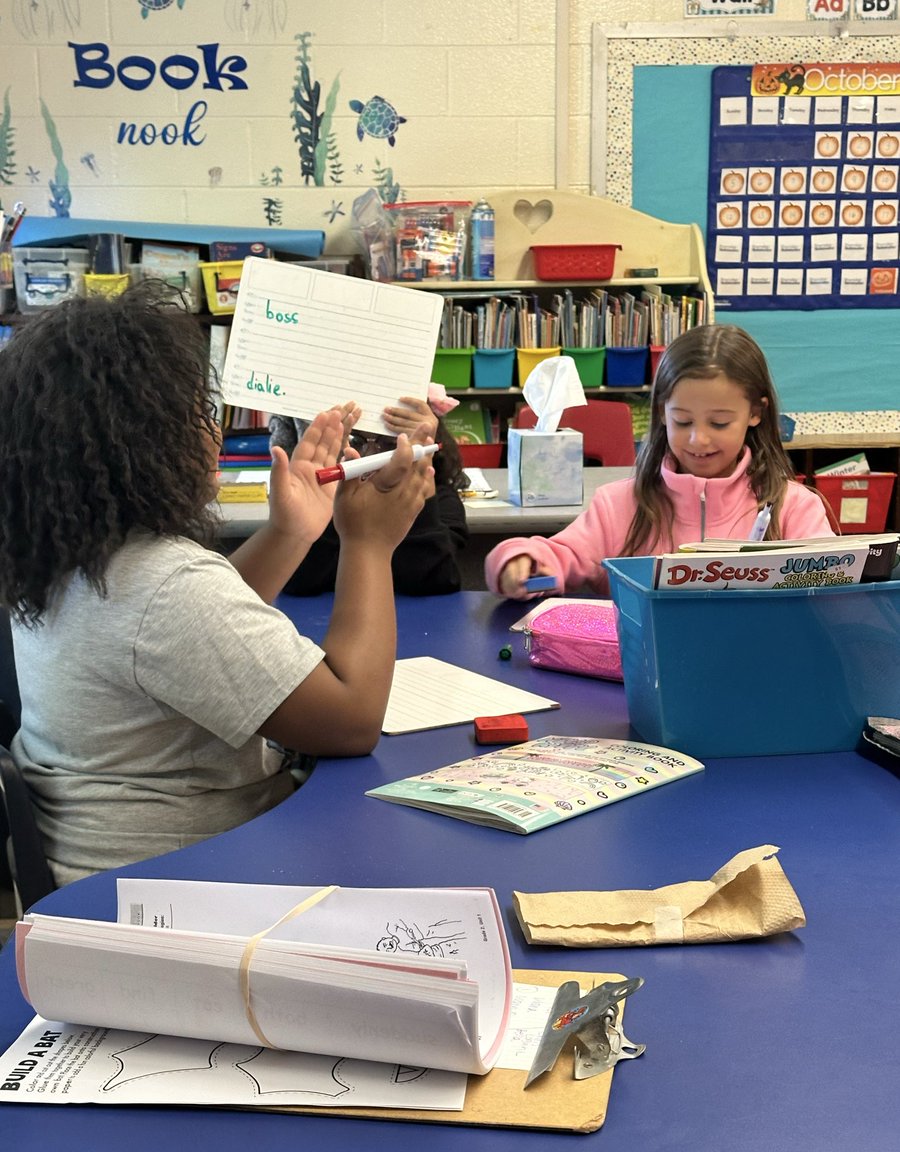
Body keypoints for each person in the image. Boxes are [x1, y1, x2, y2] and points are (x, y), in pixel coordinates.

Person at [0, 282, 433, 886]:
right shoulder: (165, 583)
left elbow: (195, 641)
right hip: (179, 892)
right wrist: (369, 544)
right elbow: (352, 723)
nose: (215, 435)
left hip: (98, 874)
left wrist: (291, 532)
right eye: (197, 414)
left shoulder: (71, 559)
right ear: (145, 443)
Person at [486, 323, 834, 599]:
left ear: (756, 413)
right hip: (638, 677)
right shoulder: (619, 505)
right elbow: (560, 555)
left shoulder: (794, 508)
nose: (699, 439)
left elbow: (835, 588)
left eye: (719, 422)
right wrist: (520, 559)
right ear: (662, 413)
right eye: (683, 421)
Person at [270, 386, 469, 596]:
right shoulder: (316, 501)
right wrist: (334, 498)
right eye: (356, 441)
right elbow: (298, 582)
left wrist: (420, 497)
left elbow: (436, 583)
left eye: (390, 443)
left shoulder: (442, 501)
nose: (370, 454)